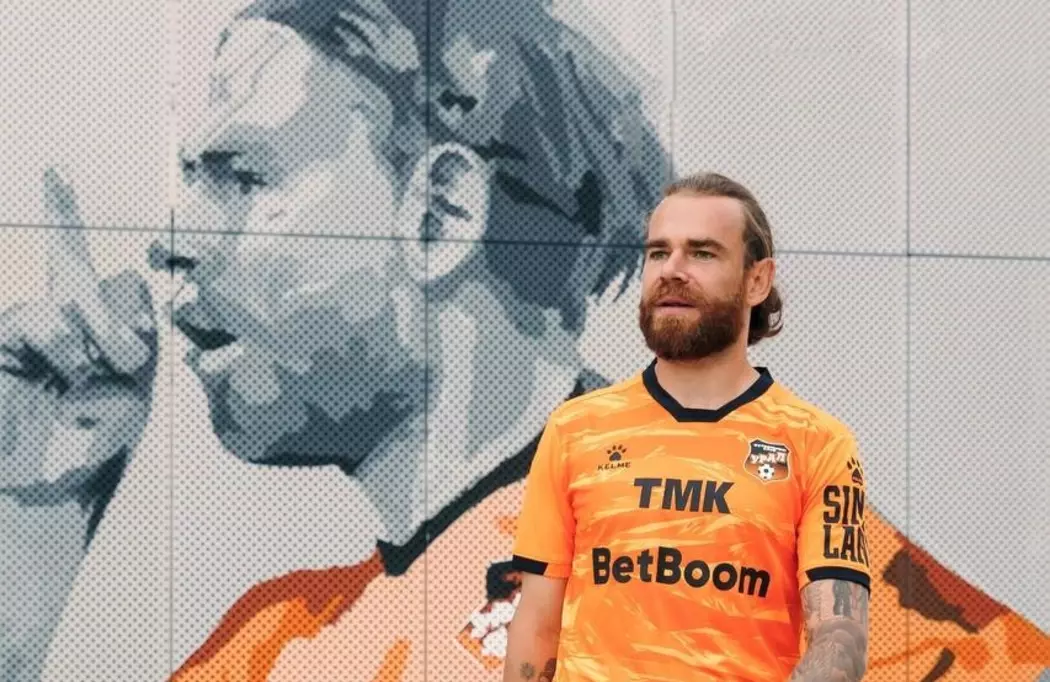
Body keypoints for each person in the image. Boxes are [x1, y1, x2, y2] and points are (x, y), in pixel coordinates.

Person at [505, 172, 871, 681]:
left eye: (702, 253)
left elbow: (841, 634)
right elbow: (536, 627)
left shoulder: (817, 443)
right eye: (658, 252)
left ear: (757, 280)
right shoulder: (576, 428)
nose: (671, 270)